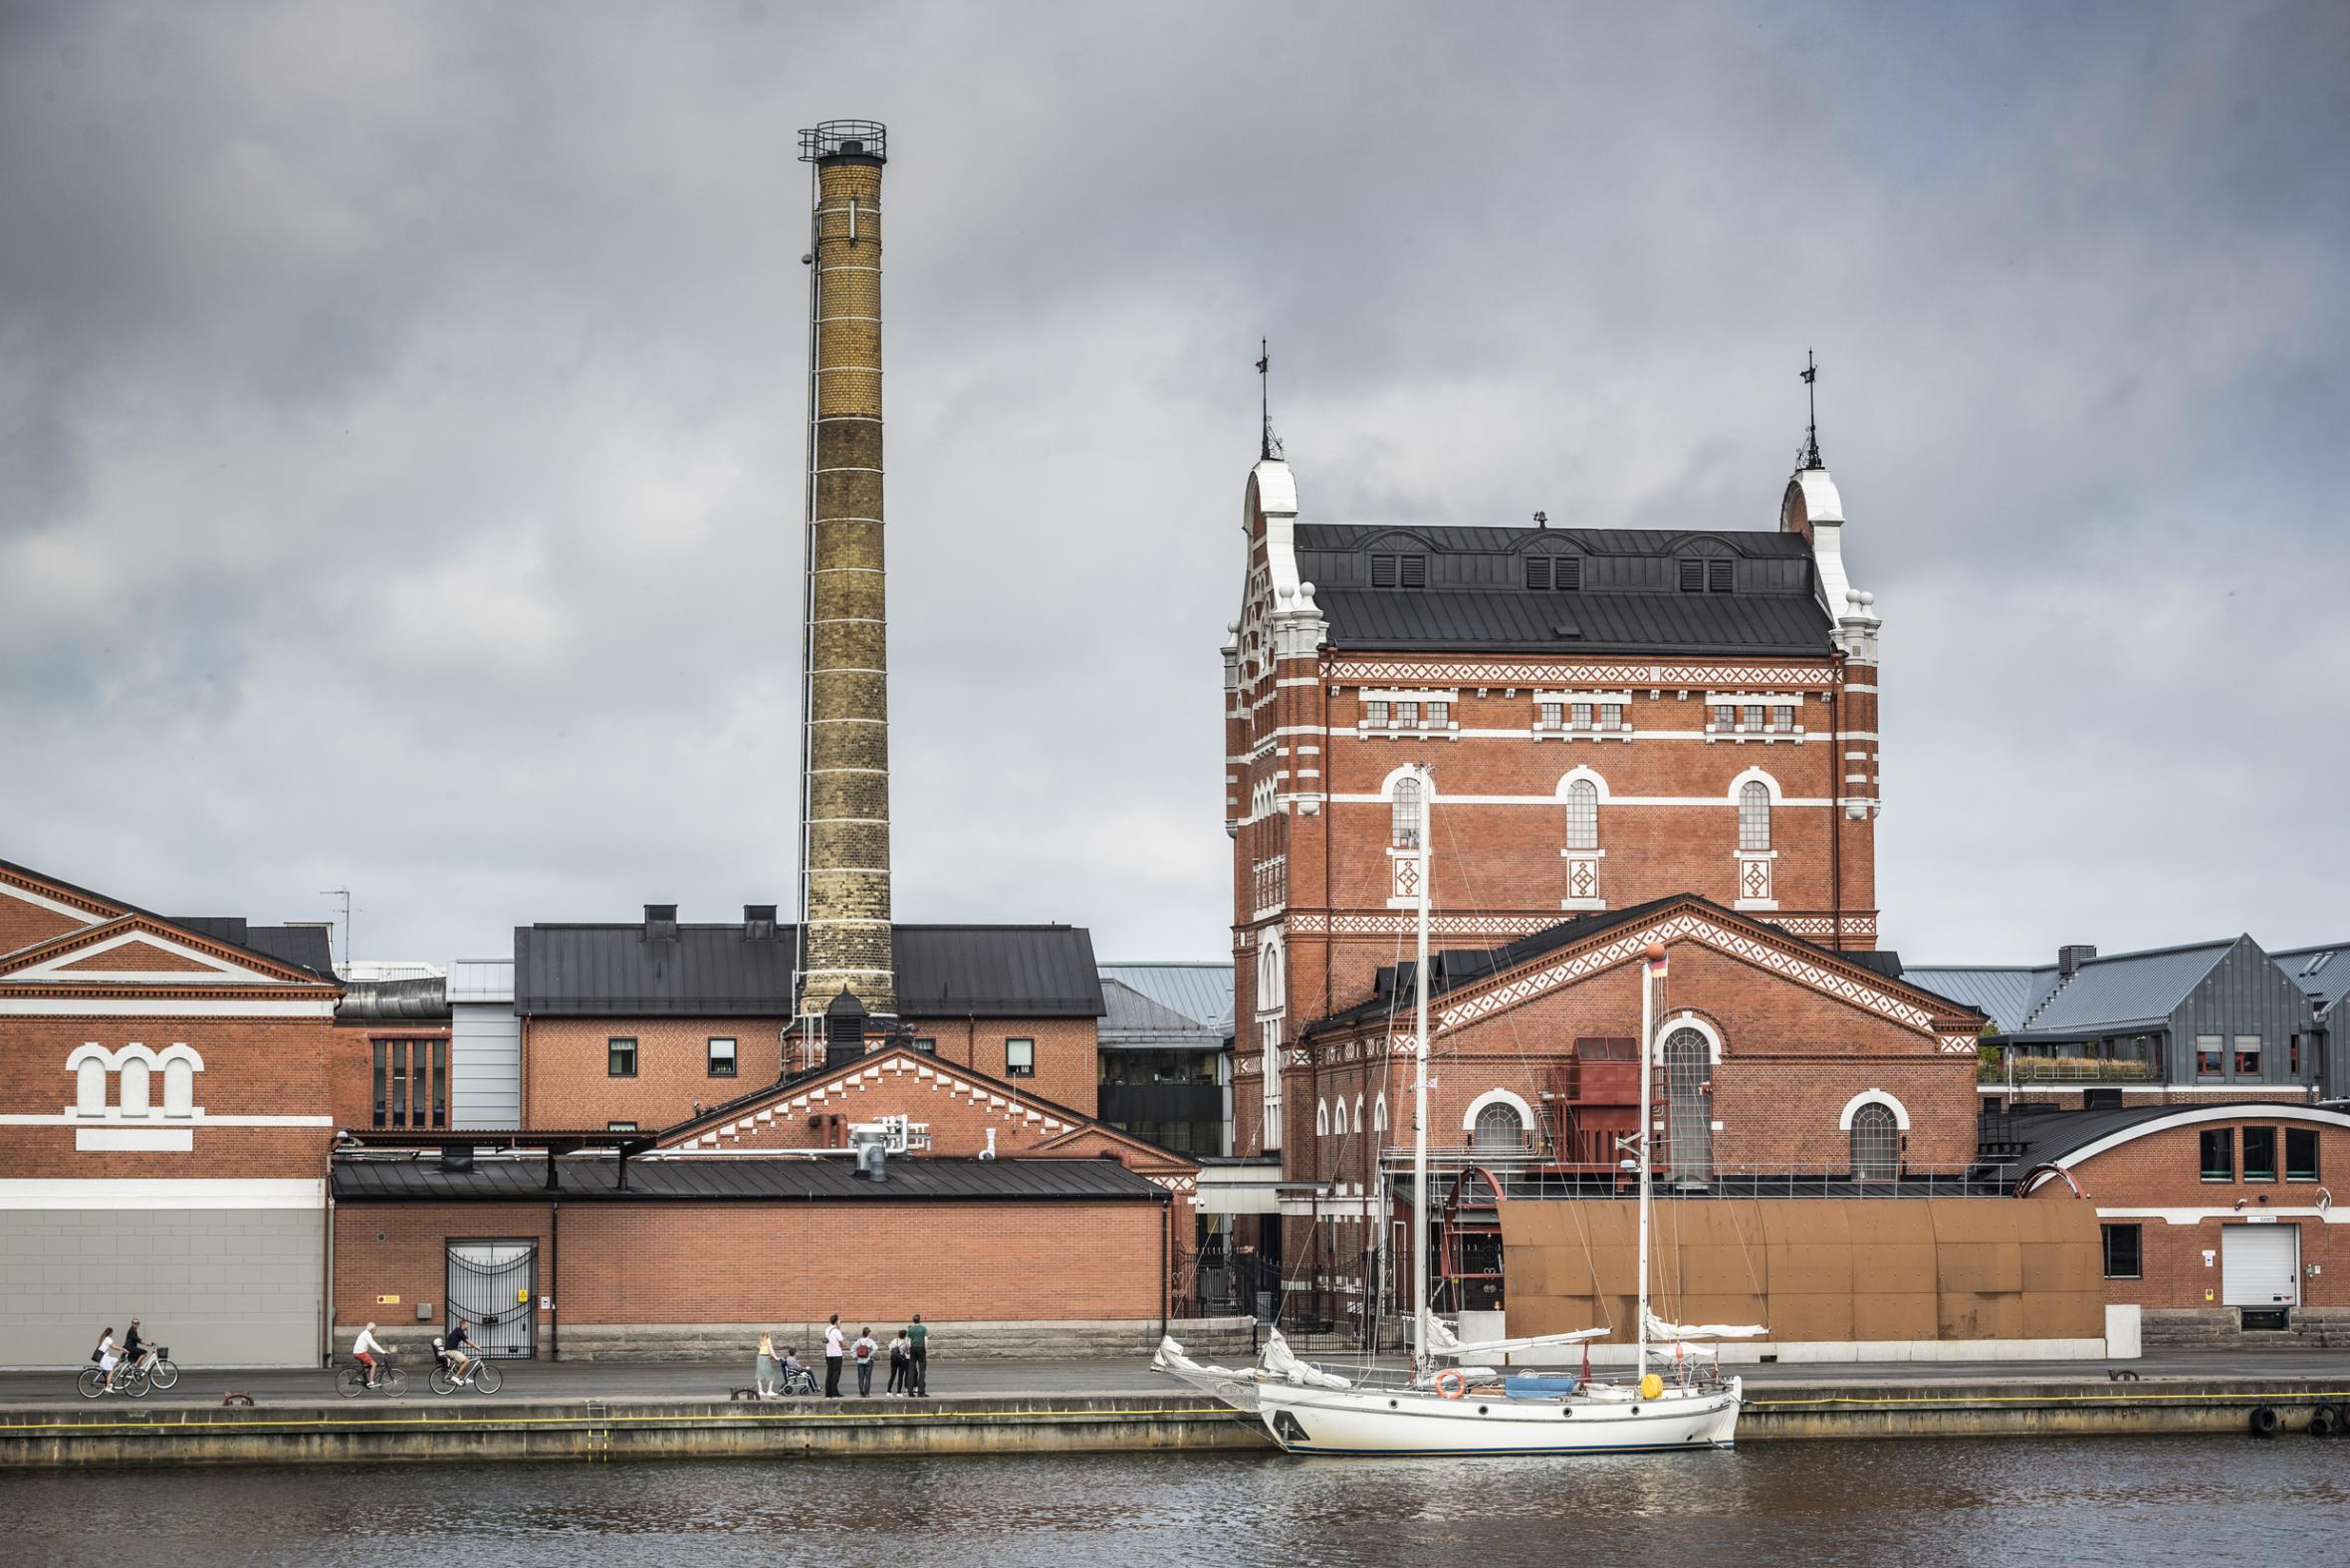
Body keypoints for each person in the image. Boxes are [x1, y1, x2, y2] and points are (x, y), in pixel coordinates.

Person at [353, 1322, 387, 1388]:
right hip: (360, 1353)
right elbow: (373, 1344)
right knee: (374, 1364)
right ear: (372, 1329)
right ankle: (371, 1382)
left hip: (358, 1352)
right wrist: (382, 1351)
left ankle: (361, 1378)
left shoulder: (365, 1333)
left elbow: (373, 1344)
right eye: (375, 1329)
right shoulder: (367, 1334)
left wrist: (381, 1350)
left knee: (369, 1365)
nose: (375, 1331)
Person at [444, 1319, 477, 1385]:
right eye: (467, 1325)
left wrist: (474, 1346)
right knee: (466, 1361)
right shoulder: (459, 1331)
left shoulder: (459, 1331)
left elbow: (467, 1341)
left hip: (452, 1350)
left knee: (467, 1361)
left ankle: (463, 1378)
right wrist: (477, 1347)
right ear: (463, 1324)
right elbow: (467, 1340)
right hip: (450, 1351)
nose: (468, 1326)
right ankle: (455, 1377)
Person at [822, 1314, 844, 1399]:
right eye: (839, 1321)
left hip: (828, 1354)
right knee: (836, 1374)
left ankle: (828, 1393)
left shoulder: (827, 1330)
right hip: (837, 1355)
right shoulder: (837, 1331)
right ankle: (834, 1392)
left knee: (829, 1373)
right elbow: (842, 1342)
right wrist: (841, 1345)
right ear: (836, 1321)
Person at [852, 1327, 878, 1397]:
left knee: (861, 1378)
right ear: (868, 1333)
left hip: (860, 1361)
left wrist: (856, 1356)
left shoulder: (859, 1341)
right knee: (868, 1377)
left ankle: (861, 1393)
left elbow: (852, 1349)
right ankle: (867, 1393)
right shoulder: (870, 1341)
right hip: (868, 1361)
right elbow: (876, 1348)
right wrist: (870, 1354)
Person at [94, 1326, 119, 1393]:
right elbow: (114, 1347)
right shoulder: (108, 1338)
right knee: (110, 1370)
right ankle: (108, 1386)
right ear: (110, 1333)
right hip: (104, 1359)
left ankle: (109, 1376)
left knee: (116, 1360)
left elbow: (113, 1347)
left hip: (104, 1358)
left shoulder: (103, 1338)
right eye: (112, 1333)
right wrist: (122, 1349)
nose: (112, 1335)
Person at [908, 1313, 928, 1397]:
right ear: (919, 1320)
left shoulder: (910, 1329)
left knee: (911, 1370)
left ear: (913, 1320)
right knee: (922, 1370)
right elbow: (926, 1340)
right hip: (921, 1348)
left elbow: (907, 1340)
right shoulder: (923, 1329)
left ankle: (910, 1392)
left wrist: (909, 1348)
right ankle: (921, 1392)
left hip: (913, 1348)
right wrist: (925, 1349)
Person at [886, 1328, 910, 1396]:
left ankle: (888, 1391)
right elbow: (908, 1351)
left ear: (899, 1334)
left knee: (892, 1376)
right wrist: (906, 1342)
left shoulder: (895, 1340)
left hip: (894, 1359)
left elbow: (890, 1349)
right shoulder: (905, 1342)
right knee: (900, 1376)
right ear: (905, 1335)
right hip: (902, 1360)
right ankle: (899, 1392)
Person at [756, 1331, 778, 1398]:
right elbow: (770, 1350)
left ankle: (760, 1391)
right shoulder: (768, 1340)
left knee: (760, 1375)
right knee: (771, 1374)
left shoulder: (761, 1340)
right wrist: (776, 1357)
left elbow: (760, 1348)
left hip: (759, 1357)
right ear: (767, 1334)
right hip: (765, 1357)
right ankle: (769, 1391)